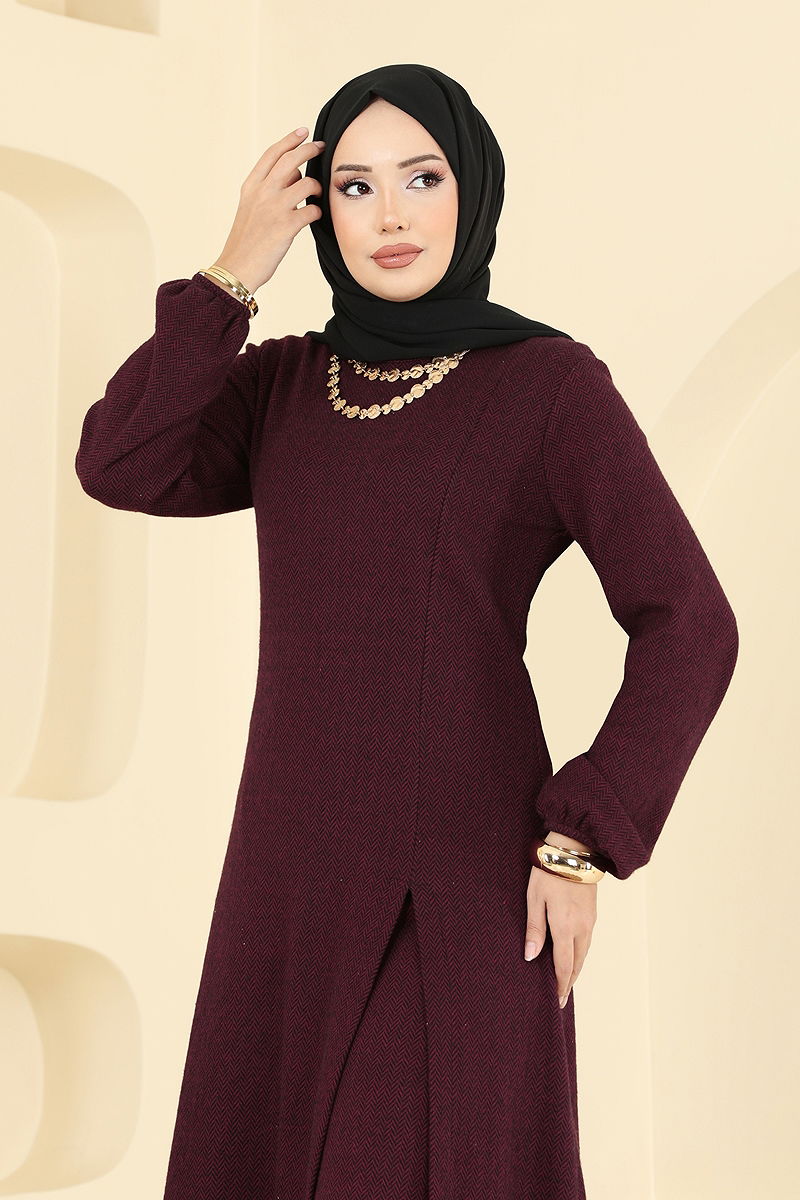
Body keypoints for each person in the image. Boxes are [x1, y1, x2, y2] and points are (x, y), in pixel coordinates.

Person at [74, 63, 739, 1200]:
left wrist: (582, 837)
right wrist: (233, 272)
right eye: (353, 186)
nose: (389, 215)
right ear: (316, 212)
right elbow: (121, 462)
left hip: (460, 879)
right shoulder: (287, 386)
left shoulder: (547, 387)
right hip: (288, 875)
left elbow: (691, 622)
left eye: (421, 179)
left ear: (470, 189)